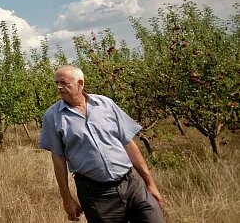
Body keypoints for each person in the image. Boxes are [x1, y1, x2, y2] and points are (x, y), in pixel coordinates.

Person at [38, 65, 165, 222]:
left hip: (131, 184)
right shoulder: (52, 116)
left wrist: (150, 183)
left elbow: (128, 143)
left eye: (64, 83)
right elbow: (58, 159)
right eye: (56, 83)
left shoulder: (105, 104)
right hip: (96, 195)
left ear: (80, 83)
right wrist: (67, 198)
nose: (59, 87)